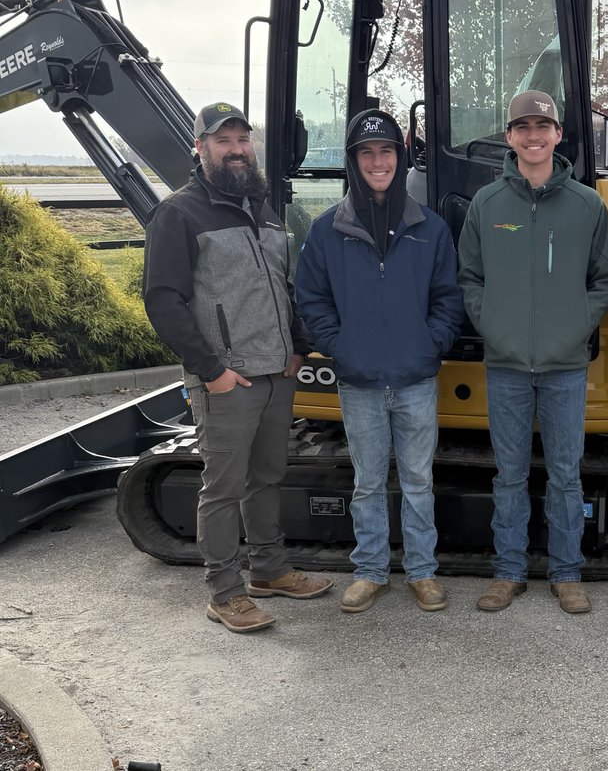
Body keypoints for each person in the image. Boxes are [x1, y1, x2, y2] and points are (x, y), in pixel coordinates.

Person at [142, 101, 333, 634]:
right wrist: (212, 370)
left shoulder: (263, 210)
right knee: (223, 488)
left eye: (242, 139)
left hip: (276, 374)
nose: (235, 149)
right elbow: (162, 301)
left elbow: (282, 289)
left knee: (266, 478)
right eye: (222, 140)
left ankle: (268, 571)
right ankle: (225, 592)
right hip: (228, 381)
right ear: (199, 148)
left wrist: (296, 349)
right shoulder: (179, 214)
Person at [457, 90, 608, 615]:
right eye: (522, 127)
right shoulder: (487, 205)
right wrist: (494, 328)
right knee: (508, 474)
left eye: (541, 127)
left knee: (565, 474)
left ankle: (566, 571)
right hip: (505, 367)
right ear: (509, 137)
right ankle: (508, 571)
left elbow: (605, 280)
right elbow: (470, 278)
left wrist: (574, 329)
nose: (533, 136)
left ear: (557, 136)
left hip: (565, 369)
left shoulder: (586, 205)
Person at [295, 110, 464, 614]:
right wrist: (341, 347)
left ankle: (422, 572)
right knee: (367, 483)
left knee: (418, 481)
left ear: (401, 157)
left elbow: (447, 297)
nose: (378, 162)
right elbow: (312, 300)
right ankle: (370, 570)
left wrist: (431, 344)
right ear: (353, 162)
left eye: (386, 152)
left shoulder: (428, 228)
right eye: (366, 153)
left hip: (415, 379)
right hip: (359, 381)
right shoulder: (327, 231)